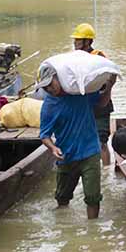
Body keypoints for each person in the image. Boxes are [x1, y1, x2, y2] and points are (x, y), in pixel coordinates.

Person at [38, 64, 114, 219]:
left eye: (50, 85)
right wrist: (52, 148)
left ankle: (92, 231)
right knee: (62, 199)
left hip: (90, 152)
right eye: (45, 88)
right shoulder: (49, 105)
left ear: (59, 79)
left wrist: (110, 85)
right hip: (66, 156)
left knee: (93, 198)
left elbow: (101, 103)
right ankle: (62, 226)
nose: (49, 90)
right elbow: (44, 135)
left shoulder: (81, 92)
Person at [71, 23, 116, 167]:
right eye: (75, 39)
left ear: (87, 41)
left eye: (78, 40)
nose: (75, 42)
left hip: (99, 105)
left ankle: (106, 172)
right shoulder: (74, 58)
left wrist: (106, 90)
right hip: (83, 105)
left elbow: (111, 76)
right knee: (84, 141)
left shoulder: (98, 57)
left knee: (101, 141)